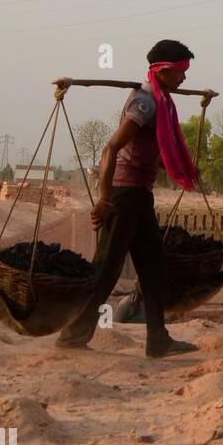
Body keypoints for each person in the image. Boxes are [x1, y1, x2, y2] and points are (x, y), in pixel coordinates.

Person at [56, 39, 201, 359]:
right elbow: (111, 149)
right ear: (162, 71)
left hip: (140, 195)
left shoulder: (161, 103)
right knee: (107, 268)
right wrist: (104, 199)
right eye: (180, 72)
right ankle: (73, 334)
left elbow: (152, 152)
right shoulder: (146, 104)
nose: (184, 79)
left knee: (153, 267)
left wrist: (183, 168)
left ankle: (157, 339)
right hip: (124, 195)